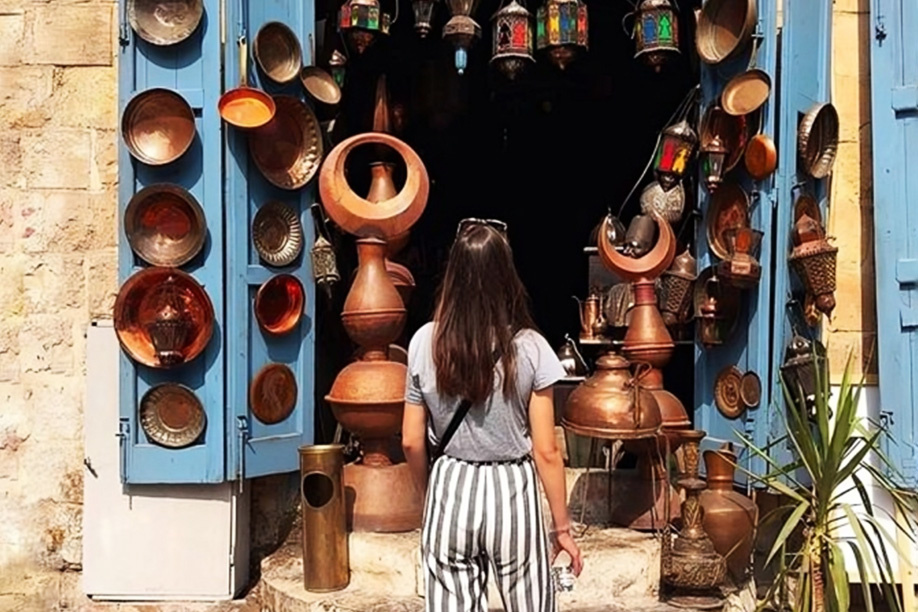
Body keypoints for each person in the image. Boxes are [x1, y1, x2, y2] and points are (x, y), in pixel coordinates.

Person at [401, 217, 583, 612]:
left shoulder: (423, 342)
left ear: (453, 274)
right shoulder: (531, 347)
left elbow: (411, 441)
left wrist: (428, 498)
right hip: (512, 489)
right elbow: (547, 451)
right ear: (506, 276)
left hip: (451, 483)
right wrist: (562, 528)